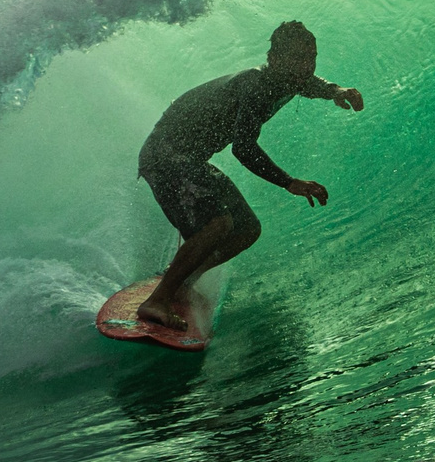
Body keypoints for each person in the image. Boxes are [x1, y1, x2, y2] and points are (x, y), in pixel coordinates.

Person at [133, 20, 364, 330]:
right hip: (166, 155)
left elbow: (308, 84)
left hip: (190, 160)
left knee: (246, 229)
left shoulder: (288, 80)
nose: (306, 65)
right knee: (218, 224)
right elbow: (243, 148)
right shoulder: (255, 86)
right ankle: (156, 302)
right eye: (297, 58)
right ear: (276, 58)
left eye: (311, 56)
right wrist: (289, 182)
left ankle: (183, 282)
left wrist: (335, 91)